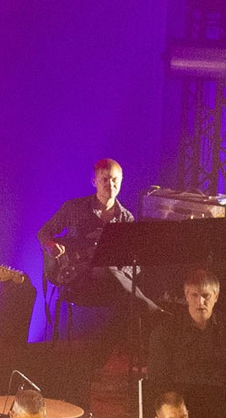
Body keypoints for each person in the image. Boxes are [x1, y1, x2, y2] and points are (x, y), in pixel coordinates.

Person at [37, 157, 156, 367]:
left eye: (115, 180)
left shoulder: (126, 218)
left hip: (110, 284)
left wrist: (120, 268)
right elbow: (44, 233)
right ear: (94, 181)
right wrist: (52, 247)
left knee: (125, 293)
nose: (111, 184)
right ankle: (152, 309)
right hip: (77, 280)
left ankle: (95, 362)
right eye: (105, 179)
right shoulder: (74, 208)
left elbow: (129, 263)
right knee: (132, 298)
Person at [146, 268, 226, 418]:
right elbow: (157, 378)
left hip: (219, 409)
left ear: (216, 296)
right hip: (180, 409)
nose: (200, 302)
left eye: (206, 296)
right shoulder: (165, 331)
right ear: (186, 296)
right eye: (194, 295)